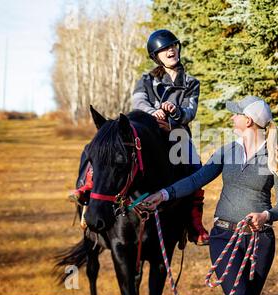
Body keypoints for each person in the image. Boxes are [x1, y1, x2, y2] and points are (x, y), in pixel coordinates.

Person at [142, 96, 278, 295]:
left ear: (248, 121)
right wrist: (164, 194)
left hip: (259, 240)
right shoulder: (228, 151)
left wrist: (265, 215)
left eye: (236, 114)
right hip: (224, 236)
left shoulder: (274, 155)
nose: (231, 117)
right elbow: (197, 179)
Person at [70, 29, 210, 246]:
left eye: (172, 46)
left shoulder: (191, 82)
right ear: (156, 57)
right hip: (146, 132)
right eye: (164, 49)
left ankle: (194, 223)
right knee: (109, 149)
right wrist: (153, 113)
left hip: (177, 135)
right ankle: (88, 187)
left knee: (195, 167)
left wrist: (174, 113)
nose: (170, 51)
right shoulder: (145, 79)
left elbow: (190, 111)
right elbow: (138, 102)